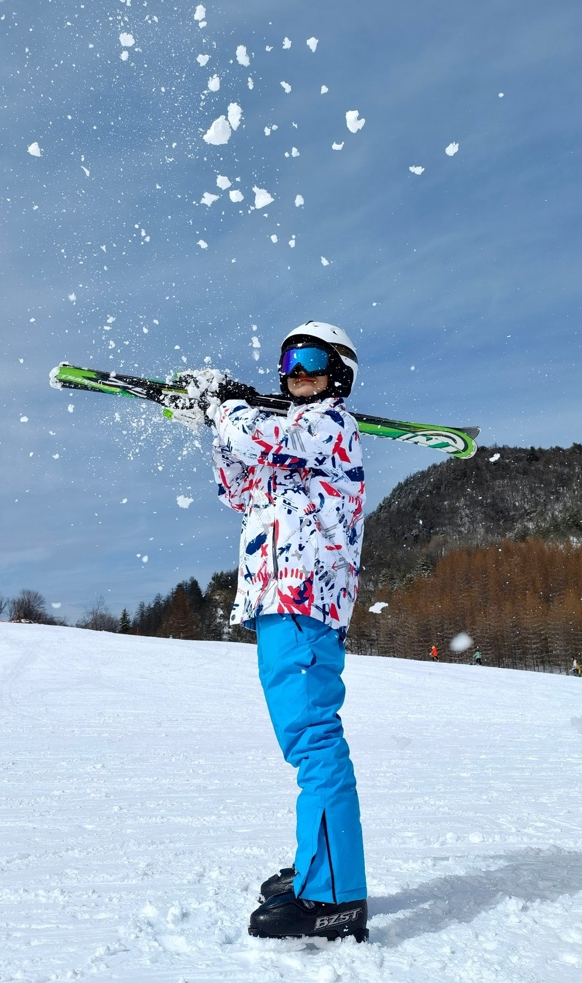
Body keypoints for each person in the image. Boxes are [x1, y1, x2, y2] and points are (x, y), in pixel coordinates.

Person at [212, 321, 368, 942]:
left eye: (309, 359)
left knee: (313, 740)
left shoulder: (329, 427)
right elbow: (237, 485)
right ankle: (318, 865)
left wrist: (227, 408)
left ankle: (335, 895)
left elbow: (267, 435)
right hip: (277, 602)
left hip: (306, 602)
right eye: (288, 361)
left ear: (339, 372)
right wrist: (220, 426)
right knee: (302, 741)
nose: (296, 371)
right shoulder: (291, 449)